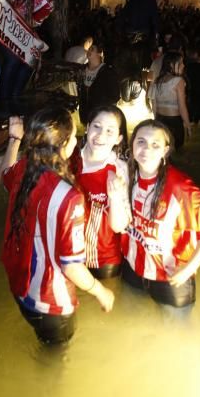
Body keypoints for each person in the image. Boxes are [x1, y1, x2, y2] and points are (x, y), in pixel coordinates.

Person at [0, 106, 114, 344]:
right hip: (51, 303)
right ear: (64, 144)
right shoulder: (68, 197)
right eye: (74, 136)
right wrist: (100, 291)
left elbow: (4, 175)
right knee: (55, 361)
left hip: (20, 288)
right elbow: (71, 265)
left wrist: (14, 139)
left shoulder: (26, 168)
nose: (76, 141)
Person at [118, 119, 200, 307]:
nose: (147, 149)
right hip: (132, 267)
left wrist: (188, 270)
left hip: (171, 277)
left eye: (155, 144)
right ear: (131, 144)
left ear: (165, 150)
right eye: (140, 141)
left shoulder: (181, 188)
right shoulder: (125, 175)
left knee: (177, 328)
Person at [70, 105, 129, 279]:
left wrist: (115, 197)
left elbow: (119, 226)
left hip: (103, 260)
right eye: (97, 126)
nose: (101, 135)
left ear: (118, 138)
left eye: (110, 131)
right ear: (87, 128)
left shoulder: (118, 170)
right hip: (68, 255)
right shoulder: (68, 159)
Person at [0, 0, 66, 100]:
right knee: (14, 59)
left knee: (29, 63)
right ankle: (2, 103)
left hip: (19, 36)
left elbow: (30, 26)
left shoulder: (47, 4)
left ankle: (14, 102)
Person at [148, 52, 192, 151]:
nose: (183, 65)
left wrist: (156, 121)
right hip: (174, 122)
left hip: (160, 120)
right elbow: (182, 107)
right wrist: (188, 125)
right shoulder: (179, 81)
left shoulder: (157, 81)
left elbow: (154, 105)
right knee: (177, 149)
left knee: (163, 149)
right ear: (172, 65)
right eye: (180, 63)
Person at [119, 0, 159, 77]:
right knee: (146, 60)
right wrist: (156, 34)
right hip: (144, 35)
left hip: (129, 34)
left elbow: (123, 15)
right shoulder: (151, 1)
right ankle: (145, 78)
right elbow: (155, 20)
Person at [78, 41, 120, 124]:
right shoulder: (81, 70)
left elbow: (114, 96)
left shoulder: (108, 72)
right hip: (85, 115)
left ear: (99, 53)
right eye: (88, 49)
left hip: (101, 115)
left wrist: (106, 111)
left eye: (92, 49)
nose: (88, 51)